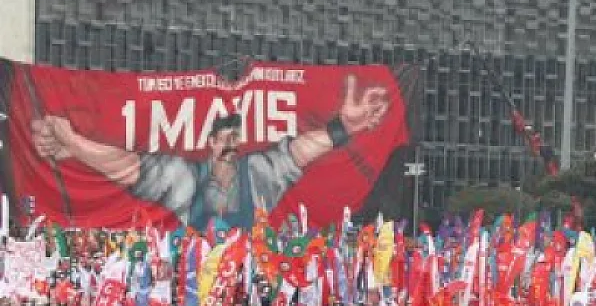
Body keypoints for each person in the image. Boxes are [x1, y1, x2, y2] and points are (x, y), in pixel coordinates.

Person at [30, 76, 391, 229]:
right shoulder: (184, 179)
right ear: (211, 144)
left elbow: (297, 151)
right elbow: (128, 167)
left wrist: (344, 127)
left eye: (236, 140)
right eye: (224, 140)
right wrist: (77, 146)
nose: (230, 147)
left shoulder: (259, 174)